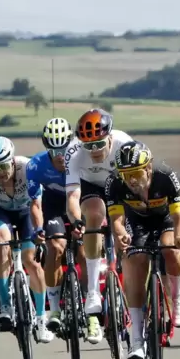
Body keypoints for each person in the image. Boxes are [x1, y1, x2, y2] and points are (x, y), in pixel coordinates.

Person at [105, 141, 180, 359]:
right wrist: (121, 233)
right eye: (126, 175)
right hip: (137, 223)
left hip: (165, 219)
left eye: (135, 173)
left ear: (149, 168)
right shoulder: (114, 181)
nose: (131, 180)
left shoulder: (165, 176)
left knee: (170, 248)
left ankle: (177, 295)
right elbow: (116, 219)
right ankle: (136, 340)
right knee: (136, 262)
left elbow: (179, 217)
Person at [0, 136, 53, 343]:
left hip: (27, 211)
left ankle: (41, 319)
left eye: (2, 166)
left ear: (12, 160)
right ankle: (5, 304)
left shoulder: (28, 168)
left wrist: (39, 231)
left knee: (31, 261)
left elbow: (36, 205)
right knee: (0, 243)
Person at [65, 108, 132, 344]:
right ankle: (93, 290)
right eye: (88, 145)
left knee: (123, 229)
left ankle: (127, 276)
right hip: (91, 187)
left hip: (121, 186)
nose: (93, 151)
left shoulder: (125, 145)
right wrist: (77, 221)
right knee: (93, 215)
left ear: (110, 136)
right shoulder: (74, 153)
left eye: (99, 144)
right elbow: (72, 198)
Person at [26, 117, 83, 334]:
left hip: (79, 202)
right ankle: (55, 308)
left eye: (64, 148)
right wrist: (39, 229)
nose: (60, 155)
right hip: (53, 206)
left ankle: (91, 307)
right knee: (56, 247)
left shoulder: (80, 158)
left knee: (86, 250)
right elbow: (35, 204)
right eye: (53, 150)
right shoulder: (36, 165)